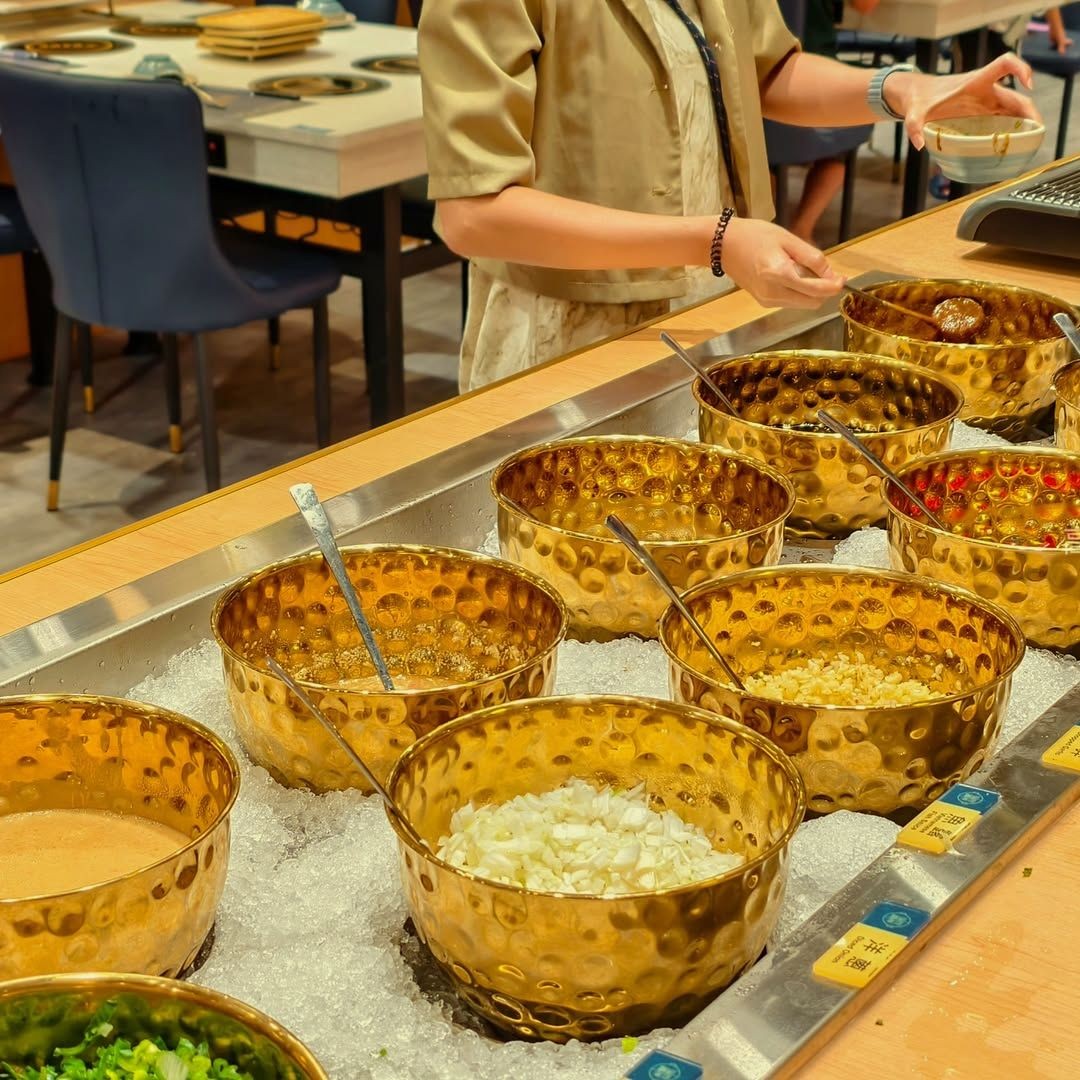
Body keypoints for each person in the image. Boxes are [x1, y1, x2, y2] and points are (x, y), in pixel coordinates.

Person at [418, 1, 1040, 391]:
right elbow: (473, 212)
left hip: (714, 302)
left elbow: (766, 70)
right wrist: (713, 240)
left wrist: (902, 88)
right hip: (567, 333)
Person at [788, 0, 881, 243]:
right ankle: (802, 229)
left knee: (763, 150)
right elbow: (865, 5)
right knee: (842, 139)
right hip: (814, 74)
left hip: (755, 81)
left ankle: (767, 226)